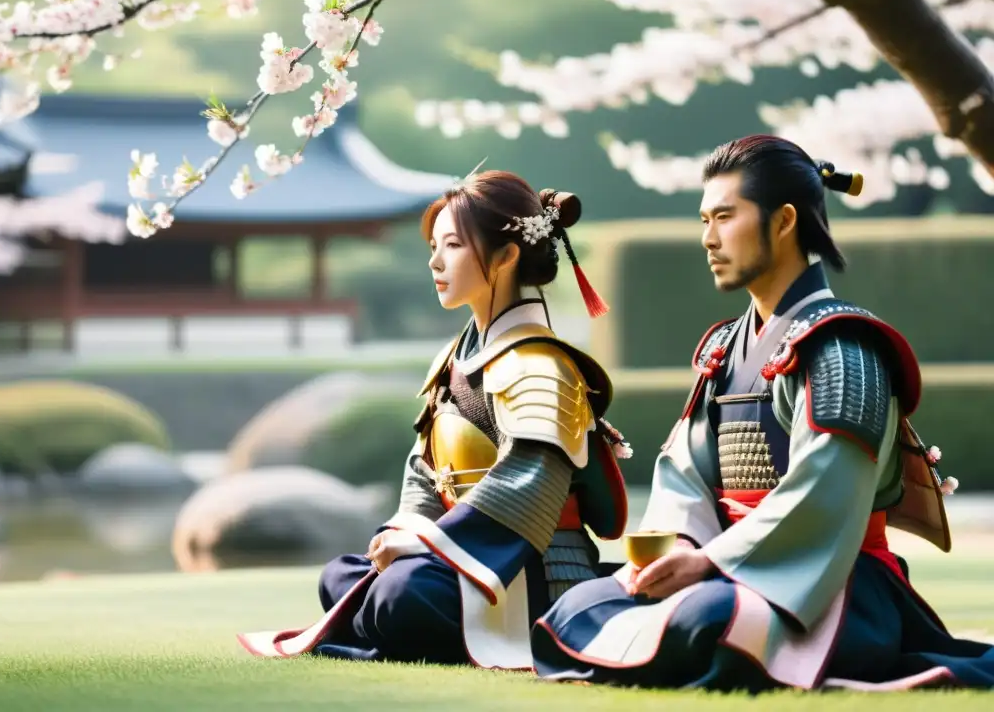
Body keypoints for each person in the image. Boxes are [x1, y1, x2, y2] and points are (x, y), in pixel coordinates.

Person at [530, 135, 994, 691]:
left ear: (784, 222)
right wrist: (679, 548)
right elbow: (686, 472)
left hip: (833, 583)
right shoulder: (725, 347)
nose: (708, 238)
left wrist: (711, 564)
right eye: (705, 219)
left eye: (725, 217)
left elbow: (825, 492)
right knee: (581, 602)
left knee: (705, 619)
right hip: (726, 570)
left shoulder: (844, 348)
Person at [238, 169, 631, 668]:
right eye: (434, 245)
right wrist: (403, 531)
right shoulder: (455, 358)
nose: (434, 261)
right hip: (458, 555)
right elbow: (425, 471)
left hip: (529, 570)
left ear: (507, 256)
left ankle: (403, 618)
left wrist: (424, 544)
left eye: (452, 245)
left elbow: (528, 484)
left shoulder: (540, 365)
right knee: (343, 575)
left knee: (399, 592)